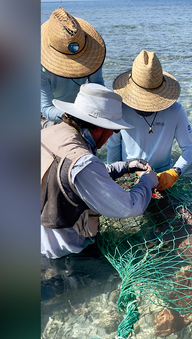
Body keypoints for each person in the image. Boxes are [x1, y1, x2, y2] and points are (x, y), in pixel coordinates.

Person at [41, 83, 159, 259]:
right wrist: (148, 181)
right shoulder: (83, 163)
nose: (114, 134)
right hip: (63, 253)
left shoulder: (50, 133)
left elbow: (76, 177)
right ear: (99, 127)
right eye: (115, 129)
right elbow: (128, 207)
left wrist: (125, 167)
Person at [107, 50, 192, 191]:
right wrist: (114, 177)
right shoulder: (119, 109)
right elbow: (113, 146)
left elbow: (190, 148)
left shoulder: (175, 110)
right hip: (128, 173)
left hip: (163, 175)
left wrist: (174, 172)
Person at [41, 8, 106, 128]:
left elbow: (97, 84)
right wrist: (73, 116)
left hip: (82, 110)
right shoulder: (39, 67)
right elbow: (47, 108)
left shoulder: (91, 57)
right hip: (54, 114)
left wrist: (106, 109)